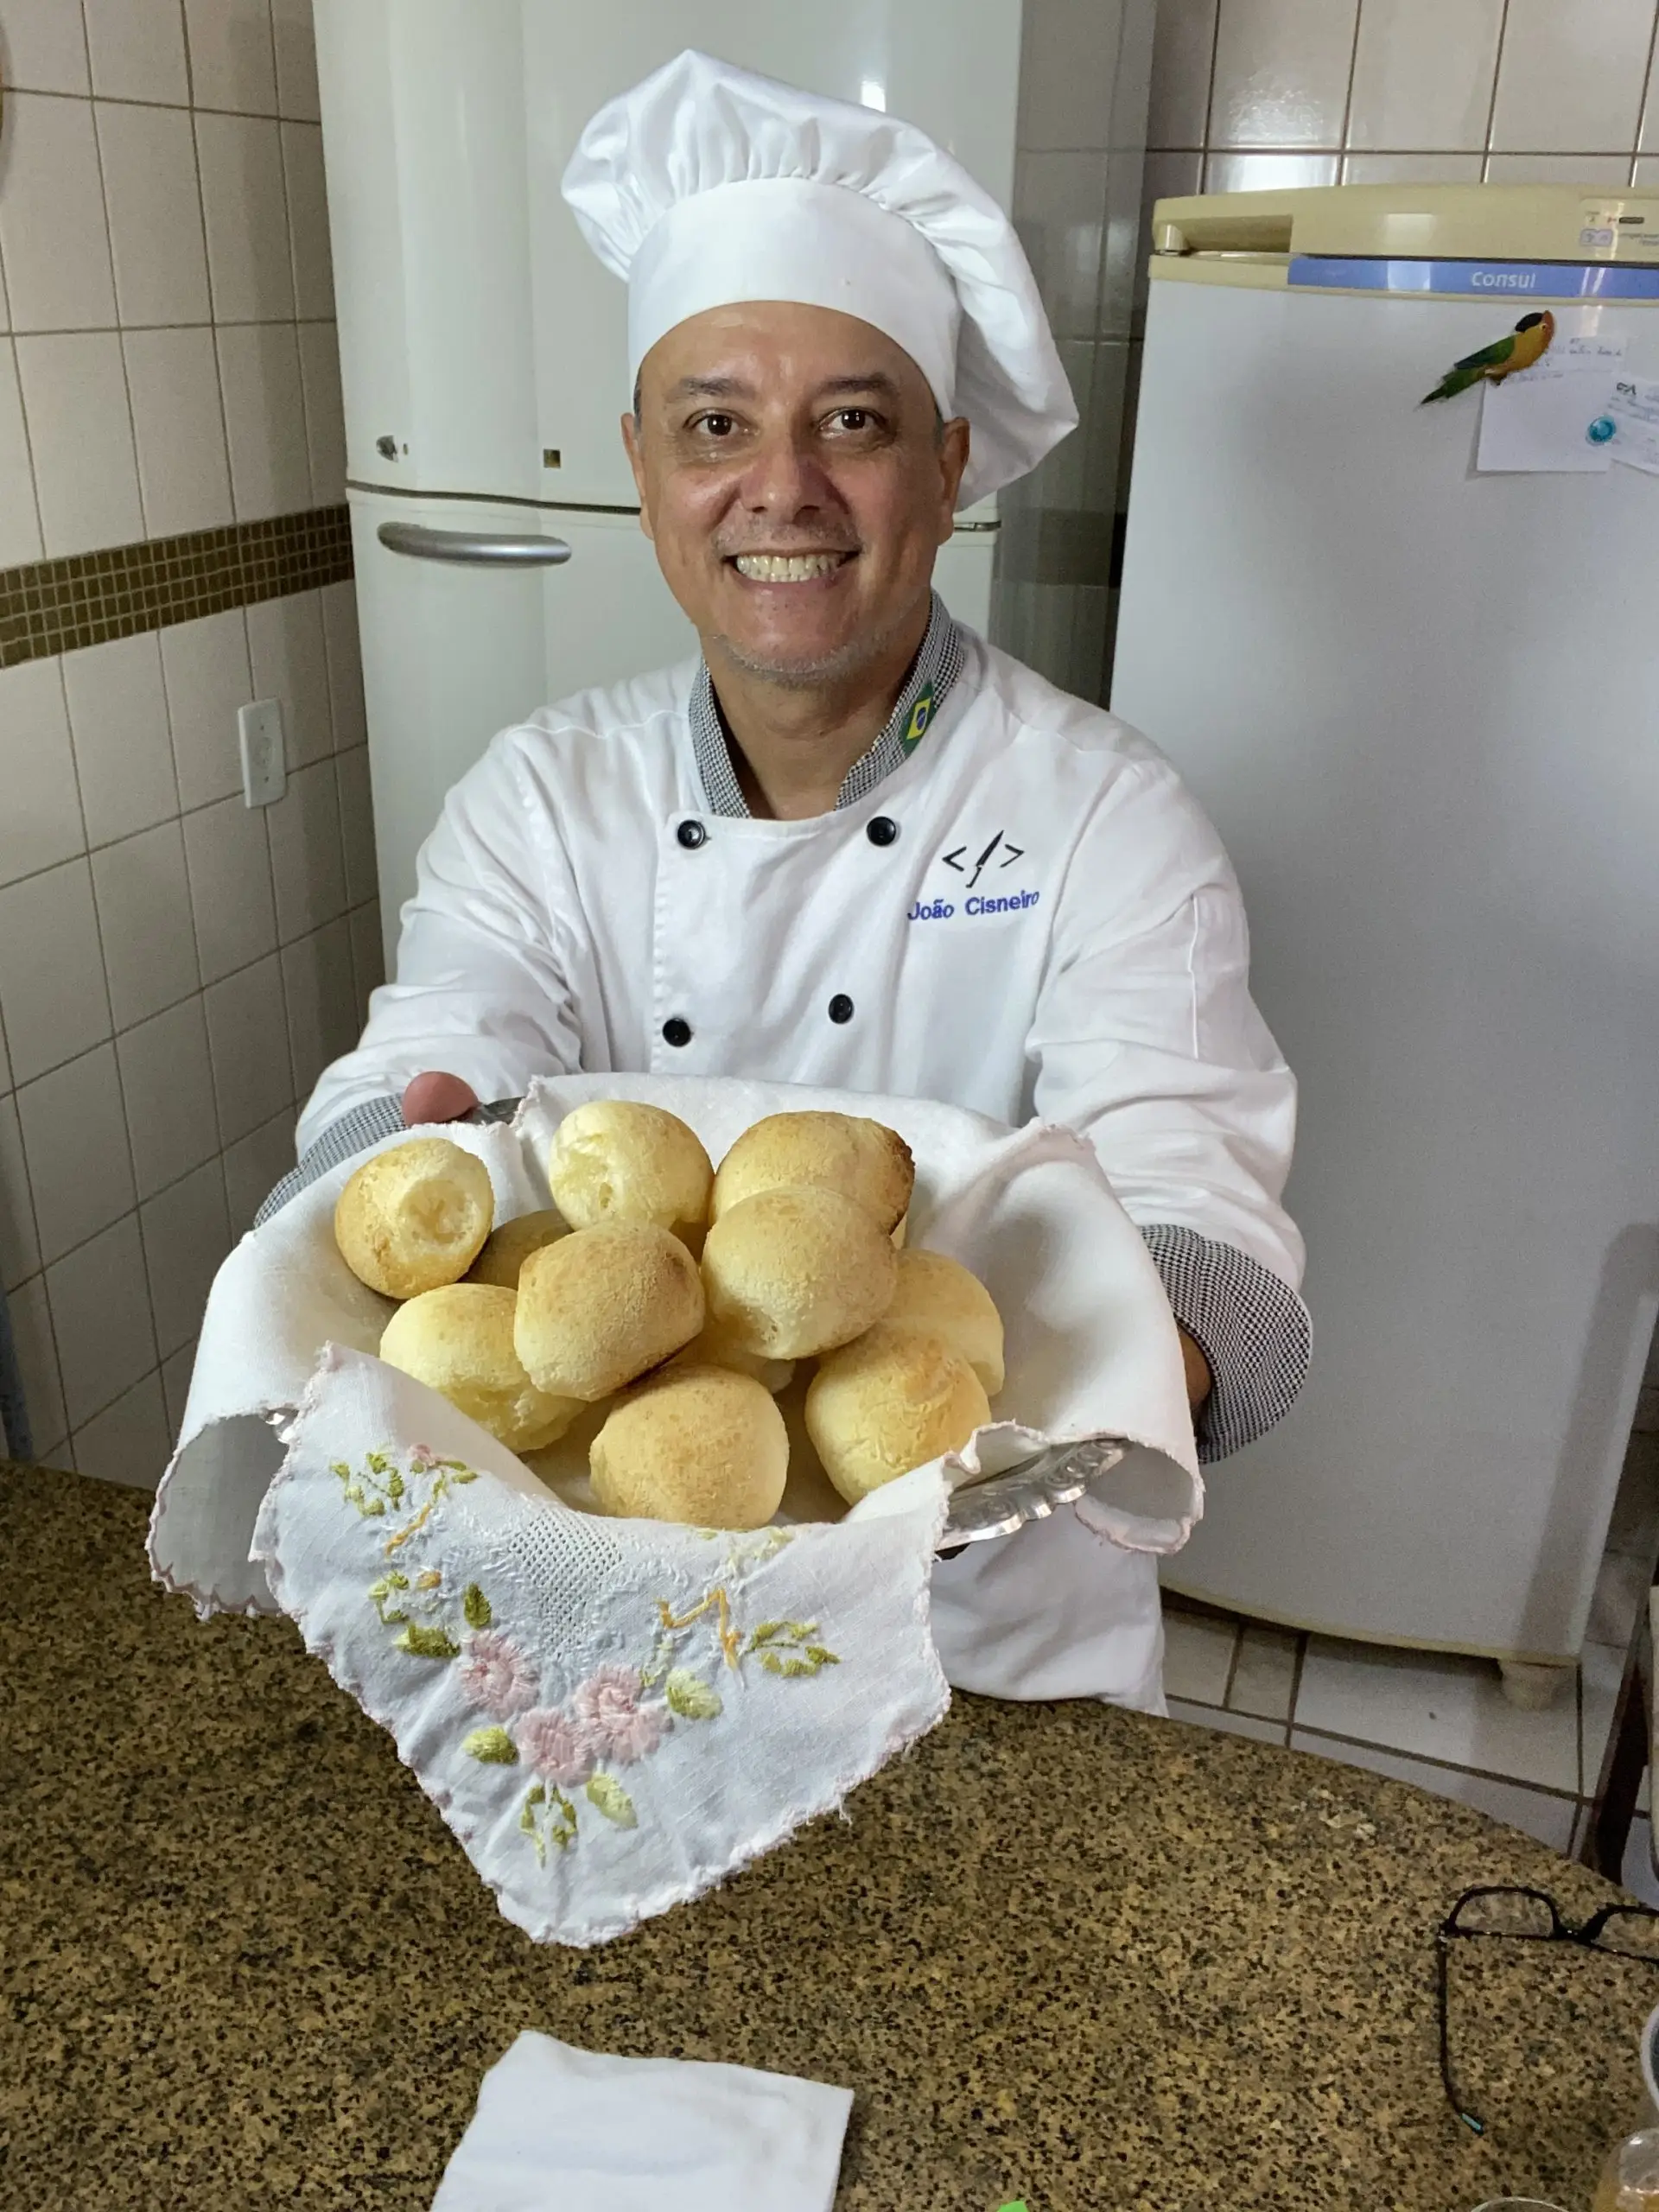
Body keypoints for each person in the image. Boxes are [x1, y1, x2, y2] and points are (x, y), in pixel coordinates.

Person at [264, 51, 1308, 1713]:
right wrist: (383, 1163)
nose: (783, 487)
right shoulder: (541, 797)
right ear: (641, 466)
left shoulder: (1108, 815)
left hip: (981, 1636)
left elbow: (1195, 1214)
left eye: (853, 422)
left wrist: (1069, 1409)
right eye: (714, 426)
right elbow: (429, 1057)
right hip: (594, 1603)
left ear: (951, 466)